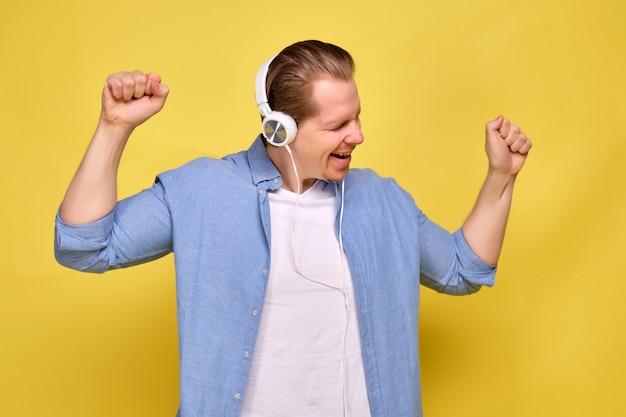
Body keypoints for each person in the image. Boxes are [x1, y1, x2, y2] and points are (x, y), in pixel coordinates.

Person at [54, 40, 532, 417]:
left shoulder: (382, 200)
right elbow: (84, 245)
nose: (358, 135)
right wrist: (114, 127)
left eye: (358, 116)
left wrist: (501, 177)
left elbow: (462, 270)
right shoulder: (201, 191)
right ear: (279, 129)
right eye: (338, 124)